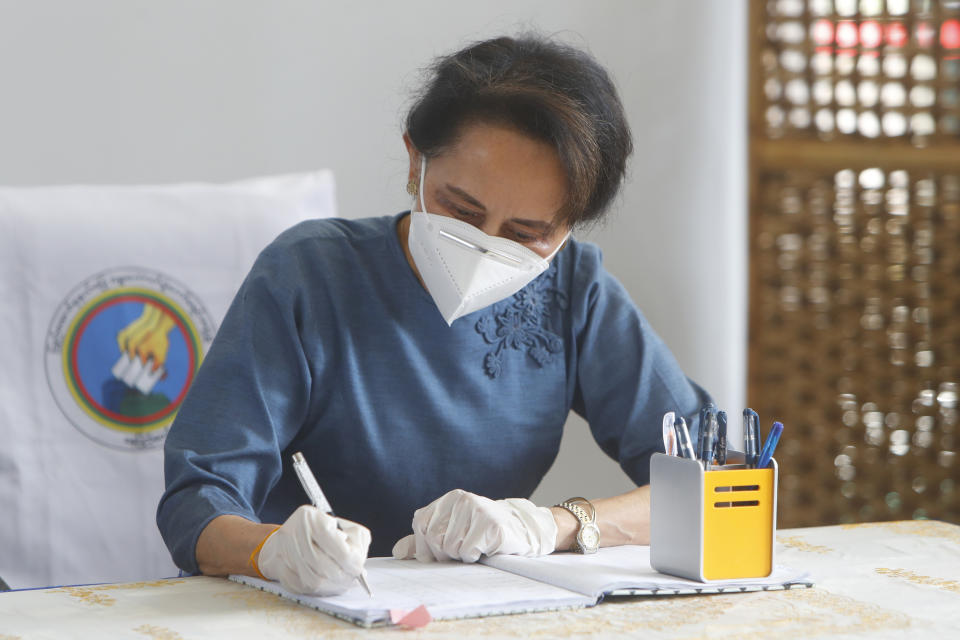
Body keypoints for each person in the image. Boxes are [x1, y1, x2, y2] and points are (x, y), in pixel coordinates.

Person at [157, 34, 710, 597]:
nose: (483, 245)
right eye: (460, 209)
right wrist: (268, 550)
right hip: (303, 610)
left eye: (527, 234)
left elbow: (717, 487)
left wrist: (553, 525)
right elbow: (195, 504)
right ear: (414, 161)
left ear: (570, 228)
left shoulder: (574, 292)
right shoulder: (308, 276)